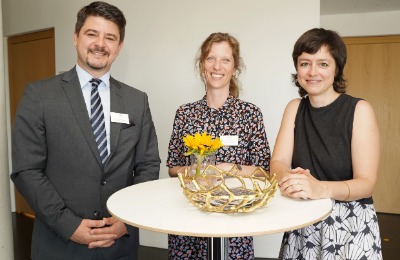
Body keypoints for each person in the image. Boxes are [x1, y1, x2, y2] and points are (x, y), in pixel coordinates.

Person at [10, 2, 160, 259]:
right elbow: (27, 170)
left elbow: (148, 165)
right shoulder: (40, 95)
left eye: (110, 37)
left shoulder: (137, 101)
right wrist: (68, 225)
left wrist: (127, 220)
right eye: (92, 34)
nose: (100, 44)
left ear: (119, 47)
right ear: (76, 37)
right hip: (59, 245)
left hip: (120, 244)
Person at [271, 28, 382, 259]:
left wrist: (319, 188)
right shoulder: (294, 108)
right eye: (305, 63)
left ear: (336, 68)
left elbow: (366, 184)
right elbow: (278, 161)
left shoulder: (359, 110)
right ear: (297, 68)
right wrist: (290, 179)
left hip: (350, 224)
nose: (312, 72)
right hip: (302, 220)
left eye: (323, 63)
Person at [166, 32, 271, 259]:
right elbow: (173, 167)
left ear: (235, 68)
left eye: (225, 60)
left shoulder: (250, 114)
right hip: (189, 217)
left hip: (233, 217)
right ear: (202, 65)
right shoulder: (185, 113)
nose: (217, 66)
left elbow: (264, 171)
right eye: (211, 58)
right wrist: (195, 170)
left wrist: (223, 168)